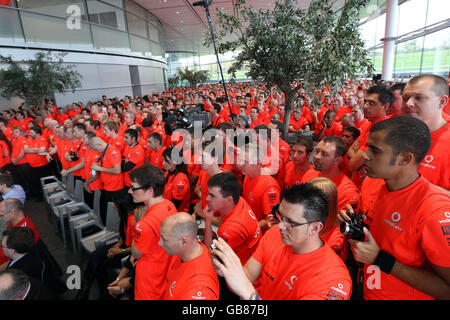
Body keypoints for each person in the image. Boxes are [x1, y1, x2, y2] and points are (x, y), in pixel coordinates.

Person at [341, 116, 450, 300]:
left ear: (405, 159)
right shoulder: (373, 186)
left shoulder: (434, 210)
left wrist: (381, 260)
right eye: (367, 147)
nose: (364, 155)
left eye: (375, 150)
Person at [211, 183, 352, 300]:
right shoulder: (274, 235)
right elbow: (245, 277)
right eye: (281, 216)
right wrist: (228, 270)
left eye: (290, 222)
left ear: (315, 228)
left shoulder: (333, 279)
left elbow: (245, 287)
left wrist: (250, 295)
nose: (280, 226)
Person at [128, 164, 177, 300]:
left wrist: (136, 226)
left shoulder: (144, 225)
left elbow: (135, 252)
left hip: (149, 282)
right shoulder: (169, 205)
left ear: (150, 190)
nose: (129, 191)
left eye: (133, 188)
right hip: (164, 272)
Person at [401, 74, 449, 192]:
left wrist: (416, 187)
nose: (408, 104)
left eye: (419, 98)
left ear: (442, 101)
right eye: (405, 98)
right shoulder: (397, 132)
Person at [159, 212, 220, 300]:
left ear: (184, 241)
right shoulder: (184, 251)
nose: (159, 243)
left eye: (164, 239)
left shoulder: (199, 289)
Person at [301, 136, 359, 211]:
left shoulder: (347, 192)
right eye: (317, 151)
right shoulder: (310, 173)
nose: (317, 157)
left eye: (324, 154)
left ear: (337, 160)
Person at [239, 143, 280, 232]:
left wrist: (248, 229)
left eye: (245, 162)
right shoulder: (248, 175)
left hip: (258, 234)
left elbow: (271, 221)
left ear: (258, 163)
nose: (240, 164)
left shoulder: (269, 187)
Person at [88, 136, 125, 224]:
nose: (96, 151)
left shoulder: (113, 151)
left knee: (113, 214)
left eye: (96, 148)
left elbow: (117, 170)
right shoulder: (105, 151)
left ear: (99, 144)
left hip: (114, 188)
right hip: (107, 186)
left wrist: (99, 168)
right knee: (105, 211)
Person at [162, 146, 190, 213]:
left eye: (166, 161)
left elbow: (175, 205)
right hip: (167, 208)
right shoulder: (168, 173)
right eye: (163, 160)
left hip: (177, 215)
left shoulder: (181, 179)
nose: (163, 163)